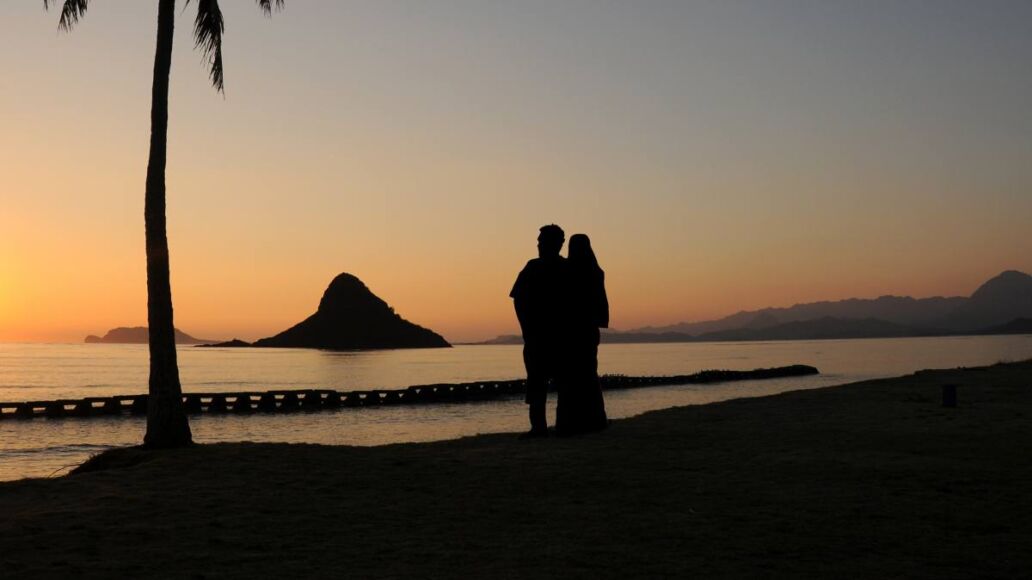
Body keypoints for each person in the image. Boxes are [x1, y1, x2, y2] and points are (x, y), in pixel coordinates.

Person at [510, 224, 570, 438]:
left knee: (561, 383)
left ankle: (561, 425)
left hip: (559, 338)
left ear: (558, 243)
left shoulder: (566, 268)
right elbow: (517, 299)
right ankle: (539, 427)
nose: (538, 244)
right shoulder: (532, 267)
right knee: (537, 384)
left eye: (542, 240)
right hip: (537, 337)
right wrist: (526, 328)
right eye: (539, 240)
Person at [561, 233, 609, 434]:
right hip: (589, 330)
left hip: (572, 330)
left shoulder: (567, 270)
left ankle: (573, 422)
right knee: (589, 374)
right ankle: (596, 419)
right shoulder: (596, 271)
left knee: (572, 376)